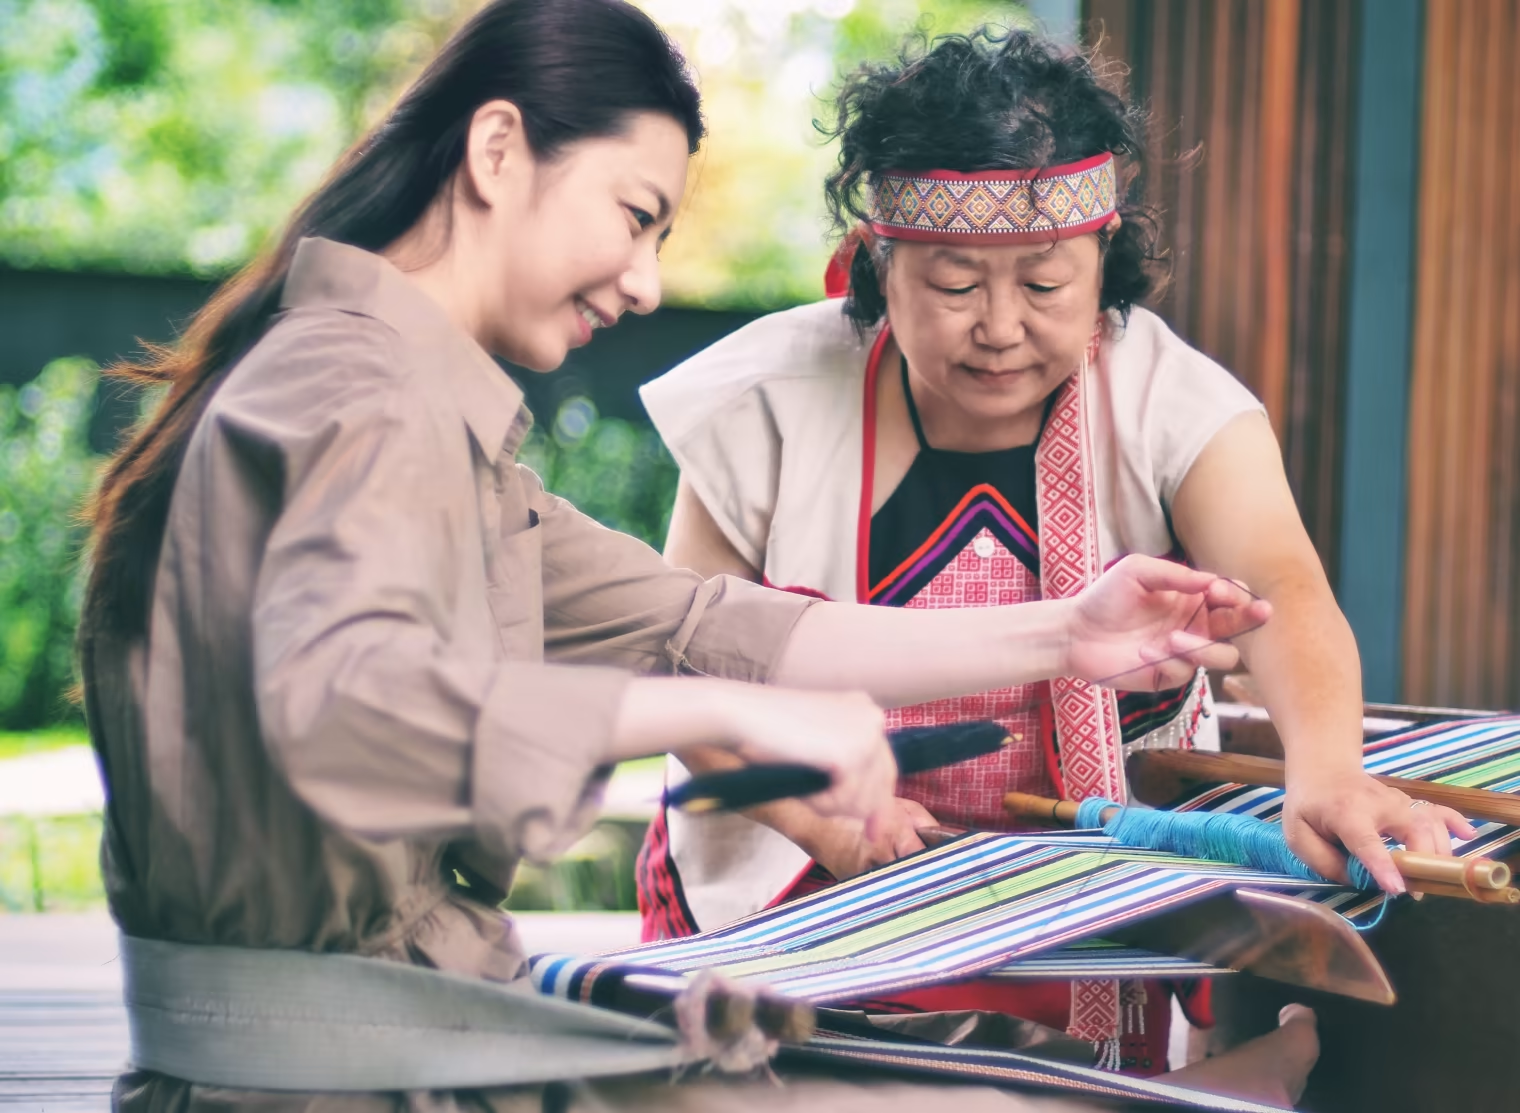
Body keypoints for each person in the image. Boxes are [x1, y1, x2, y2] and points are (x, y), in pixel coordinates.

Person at [77, 2, 1301, 1110]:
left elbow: (703, 617)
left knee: (944, 1083)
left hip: (409, 1030)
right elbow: (342, 709)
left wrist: (1063, 633)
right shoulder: (354, 393)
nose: (648, 278)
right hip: (334, 1078)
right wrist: (743, 718)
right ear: (496, 152)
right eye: (634, 216)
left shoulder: (406, 410)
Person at [634, 26, 1472, 1074]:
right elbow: (680, 657)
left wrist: (1325, 775)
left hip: (1086, 886)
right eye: (951, 285)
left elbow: (1280, 588)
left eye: (1041, 286)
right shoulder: (761, 401)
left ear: (1104, 262)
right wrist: (825, 820)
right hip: (802, 879)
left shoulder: (1171, 401)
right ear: (873, 266)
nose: (995, 327)